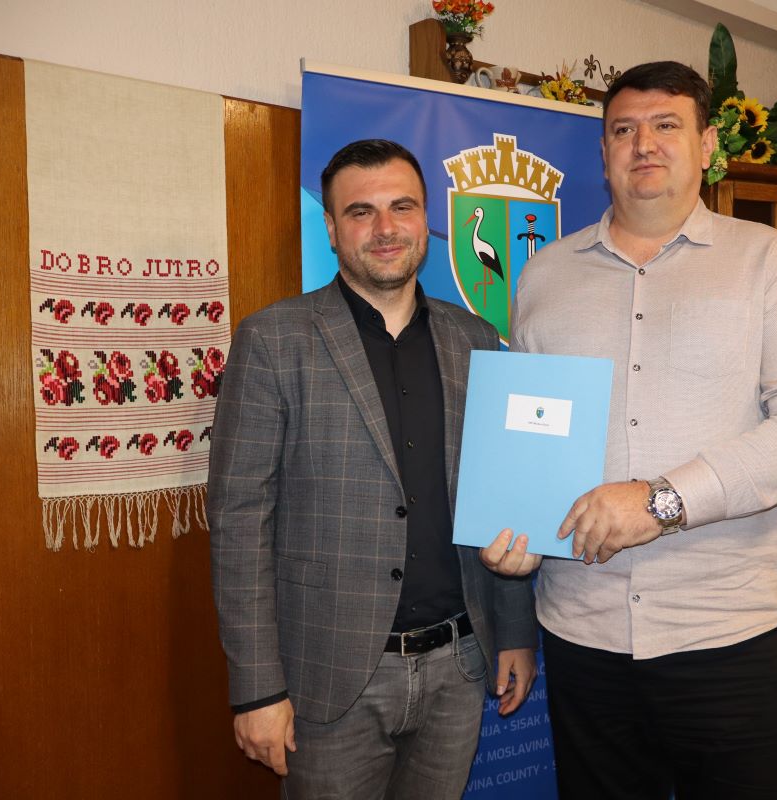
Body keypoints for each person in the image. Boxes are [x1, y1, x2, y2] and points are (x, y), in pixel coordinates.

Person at [481, 62, 777, 798]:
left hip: (729, 639)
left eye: (666, 125)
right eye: (623, 129)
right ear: (604, 153)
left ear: (707, 145)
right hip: (583, 640)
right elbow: (532, 434)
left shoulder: (766, 260)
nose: (643, 143)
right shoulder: (544, 274)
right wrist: (517, 531)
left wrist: (660, 502)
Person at [209, 139, 538, 800]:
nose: (385, 228)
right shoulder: (272, 340)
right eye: (361, 211)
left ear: (427, 220)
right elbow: (239, 523)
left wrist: (514, 632)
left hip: (459, 666)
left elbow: (501, 496)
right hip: (329, 677)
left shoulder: (475, 338)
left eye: (402, 207)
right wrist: (257, 689)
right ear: (332, 229)